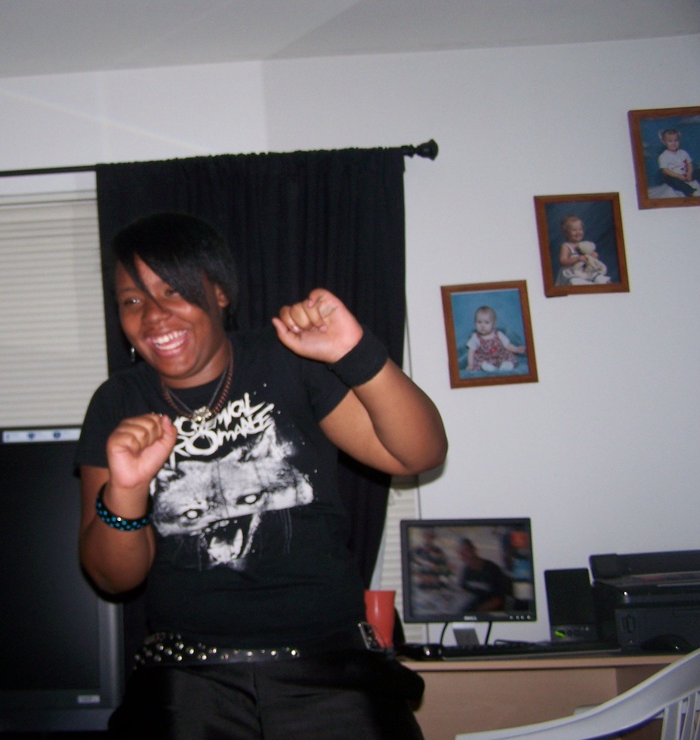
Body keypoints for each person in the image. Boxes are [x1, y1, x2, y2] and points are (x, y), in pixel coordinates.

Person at [76, 212, 447, 739]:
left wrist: (355, 353)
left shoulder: (288, 361)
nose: (154, 316)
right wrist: (127, 489)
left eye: (174, 291)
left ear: (220, 292)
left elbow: (418, 454)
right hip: (187, 682)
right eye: (132, 301)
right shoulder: (117, 401)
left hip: (332, 669)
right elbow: (113, 578)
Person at [457, 538, 511, 613]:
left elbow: (499, 600)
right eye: (461, 553)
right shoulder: (466, 572)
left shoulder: (492, 569)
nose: (464, 556)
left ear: (473, 549)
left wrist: (478, 612)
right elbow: (463, 593)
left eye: (466, 551)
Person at [465, 306, 526, 372]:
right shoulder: (475, 337)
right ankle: (487, 367)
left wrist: (516, 349)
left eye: (486, 322)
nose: (482, 326)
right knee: (478, 361)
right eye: (479, 322)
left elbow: (507, 345)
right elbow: (471, 352)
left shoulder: (498, 334)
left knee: (509, 357)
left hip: (500, 356)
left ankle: (506, 365)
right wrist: (470, 364)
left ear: (494, 324)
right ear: (475, 323)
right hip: (486, 358)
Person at [556, 215, 610, 286]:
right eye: (574, 230)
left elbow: (589, 255)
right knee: (575, 282)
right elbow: (563, 261)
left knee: (599, 278)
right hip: (572, 271)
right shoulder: (566, 246)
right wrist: (577, 259)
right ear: (566, 233)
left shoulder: (583, 245)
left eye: (580, 229)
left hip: (584, 270)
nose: (578, 232)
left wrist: (592, 255)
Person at [657, 128, 700, 198]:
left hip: (684, 173)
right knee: (675, 181)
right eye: (670, 141)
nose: (673, 143)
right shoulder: (663, 156)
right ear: (664, 142)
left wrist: (689, 173)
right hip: (673, 176)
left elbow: (689, 164)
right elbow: (665, 170)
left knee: (698, 171)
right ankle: (691, 192)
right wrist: (678, 176)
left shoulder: (683, 153)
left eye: (676, 140)